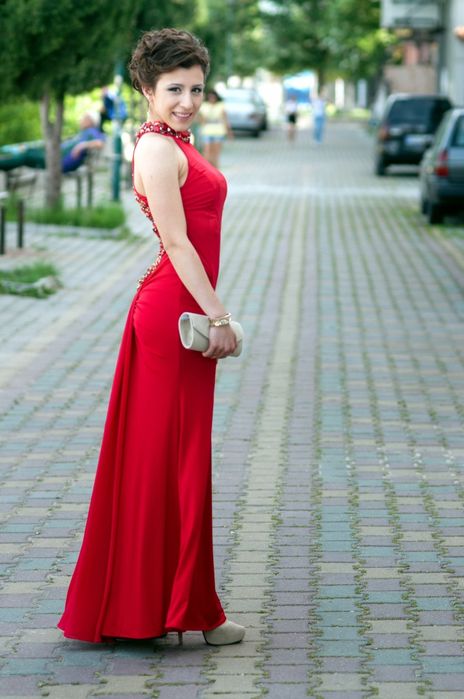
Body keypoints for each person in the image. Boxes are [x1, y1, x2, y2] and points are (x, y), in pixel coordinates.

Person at [57, 28, 246, 647]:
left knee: (175, 460)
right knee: (171, 461)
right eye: (174, 89)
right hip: (173, 317)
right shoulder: (159, 151)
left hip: (179, 310)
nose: (188, 100)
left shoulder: (176, 142)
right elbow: (177, 243)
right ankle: (175, 610)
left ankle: (171, 605)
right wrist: (220, 317)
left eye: (196, 88)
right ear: (146, 88)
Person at [198, 89, 231, 168]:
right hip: (206, 131)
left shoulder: (220, 106)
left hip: (218, 131)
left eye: (213, 97)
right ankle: (207, 169)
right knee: (207, 152)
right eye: (210, 97)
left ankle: (215, 170)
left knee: (216, 153)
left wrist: (229, 131)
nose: (212, 98)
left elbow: (225, 119)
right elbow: (200, 119)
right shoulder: (204, 106)